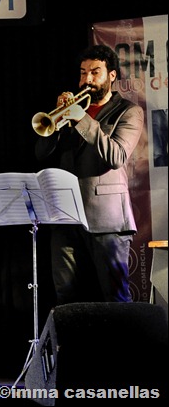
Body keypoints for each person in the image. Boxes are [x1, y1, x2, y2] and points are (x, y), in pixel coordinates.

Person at [35, 45, 144, 305]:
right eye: (83, 73)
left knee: (114, 298)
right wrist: (58, 121)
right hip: (65, 218)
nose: (87, 80)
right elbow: (41, 153)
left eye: (95, 72)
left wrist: (81, 118)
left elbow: (116, 156)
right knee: (67, 298)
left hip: (106, 220)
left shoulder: (128, 111)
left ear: (112, 75)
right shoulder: (73, 112)